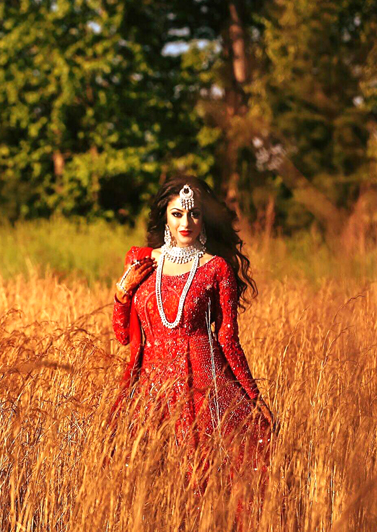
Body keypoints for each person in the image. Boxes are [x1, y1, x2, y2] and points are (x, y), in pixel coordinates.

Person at [106, 174, 276, 521]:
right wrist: (121, 296)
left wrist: (254, 397)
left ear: (204, 219)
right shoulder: (141, 262)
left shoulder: (217, 268)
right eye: (178, 214)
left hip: (204, 387)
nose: (186, 222)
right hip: (151, 392)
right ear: (165, 217)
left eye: (194, 214)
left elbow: (228, 338)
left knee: (206, 481)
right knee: (147, 486)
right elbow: (123, 335)